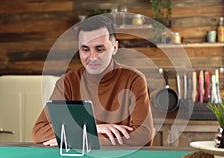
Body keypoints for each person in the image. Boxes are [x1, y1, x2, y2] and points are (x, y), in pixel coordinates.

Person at [32, 15, 155, 146]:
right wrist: (94, 129)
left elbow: (143, 135)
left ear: (114, 47)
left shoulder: (134, 80)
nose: (92, 57)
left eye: (100, 49)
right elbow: (39, 131)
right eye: (85, 49)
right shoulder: (67, 82)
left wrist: (76, 137)